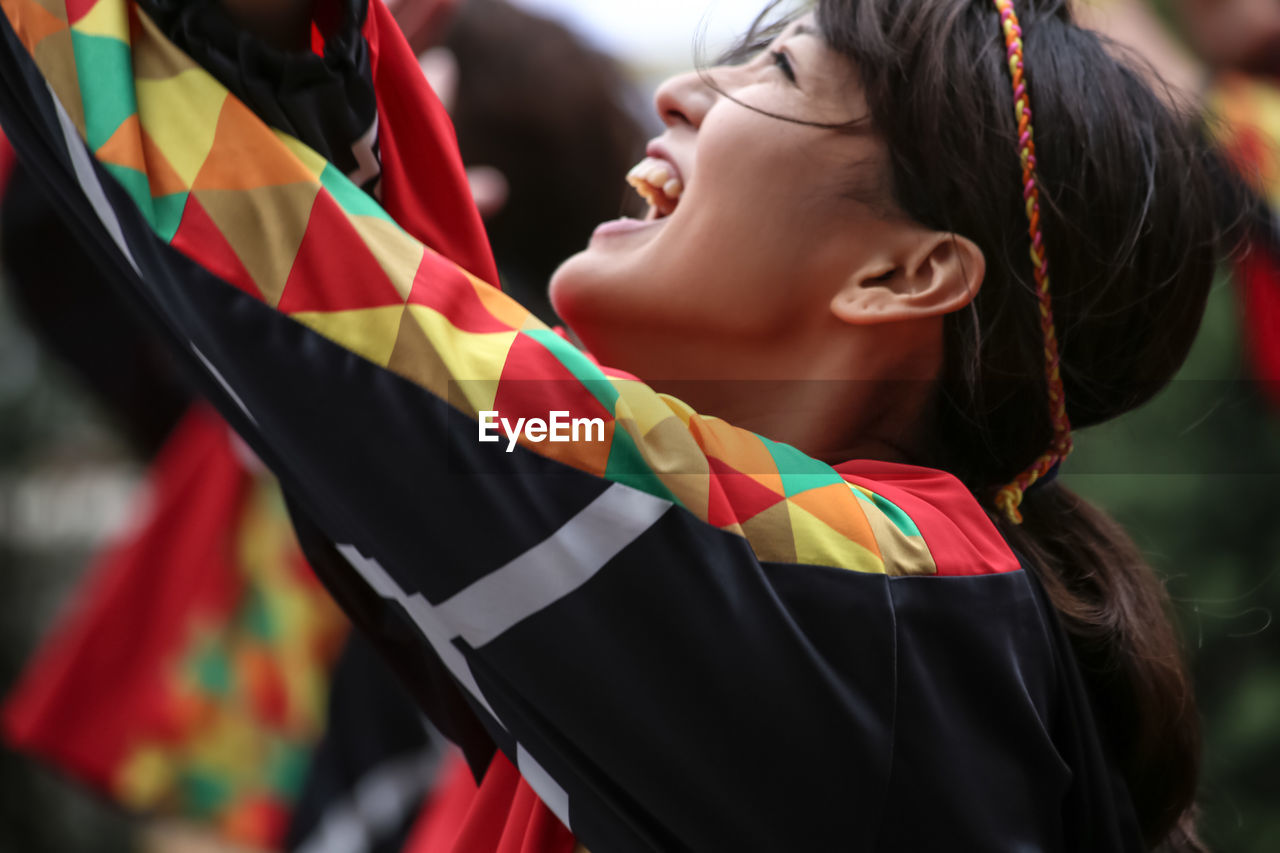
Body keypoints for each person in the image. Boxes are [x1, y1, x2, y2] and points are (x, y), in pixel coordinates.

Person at [0, 0, 1243, 850]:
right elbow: (474, 421)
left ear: (904, 277)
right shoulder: (788, 560)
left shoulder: (873, 592)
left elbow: (419, 386)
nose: (680, 89)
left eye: (780, 74)